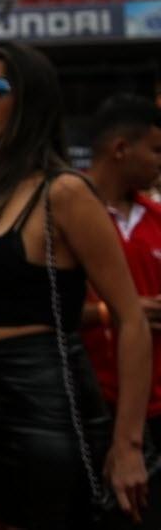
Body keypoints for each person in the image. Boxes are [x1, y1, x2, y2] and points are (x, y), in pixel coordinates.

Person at [0, 42, 151, 528]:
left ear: (31, 99)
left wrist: (128, 445)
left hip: (46, 404)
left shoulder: (65, 192)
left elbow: (131, 319)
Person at [83, 93, 161, 526]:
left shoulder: (156, 215)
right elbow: (39, 311)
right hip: (91, 402)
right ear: (120, 149)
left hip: (155, 407)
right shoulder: (65, 210)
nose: (159, 161)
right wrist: (113, 313)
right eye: (155, 150)